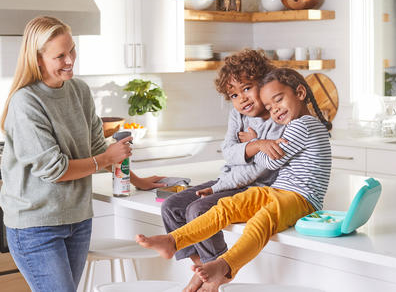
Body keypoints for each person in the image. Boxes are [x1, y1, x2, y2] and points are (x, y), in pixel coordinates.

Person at [0, 16, 163, 292]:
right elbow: (56, 170)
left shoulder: (80, 91)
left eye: (72, 50)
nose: (70, 60)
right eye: (60, 55)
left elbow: (99, 147)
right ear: (38, 59)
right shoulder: (26, 101)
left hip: (77, 220)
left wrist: (138, 181)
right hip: (36, 226)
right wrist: (106, 159)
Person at [136, 68, 332, 292]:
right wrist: (258, 145)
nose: (275, 110)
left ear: (300, 93)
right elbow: (252, 153)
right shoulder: (294, 124)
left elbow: (271, 162)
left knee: (261, 221)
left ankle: (224, 266)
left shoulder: (303, 125)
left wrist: (255, 142)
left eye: (278, 100)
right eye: (269, 106)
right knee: (227, 206)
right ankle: (173, 241)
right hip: (279, 191)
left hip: (302, 198)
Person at [160, 49, 286, 291]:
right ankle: (206, 269)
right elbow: (227, 151)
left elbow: (257, 171)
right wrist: (255, 144)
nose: (242, 99)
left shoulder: (277, 117)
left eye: (247, 88)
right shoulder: (237, 114)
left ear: (265, 81)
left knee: (198, 209)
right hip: (230, 180)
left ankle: (219, 272)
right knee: (172, 207)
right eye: (234, 94)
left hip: (257, 188)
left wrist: (248, 148)